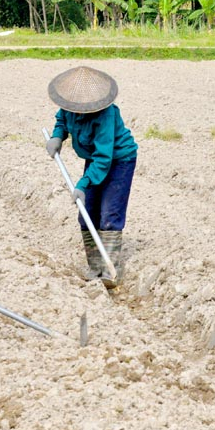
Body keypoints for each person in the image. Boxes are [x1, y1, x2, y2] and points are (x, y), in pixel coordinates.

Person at [45, 66, 137, 288]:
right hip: (95, 159)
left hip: (118, 160)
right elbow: (61, 122)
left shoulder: (106, 114)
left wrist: (83, 184)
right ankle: (94, 266)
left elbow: (104, 158)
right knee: (86, 213)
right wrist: (57, 137)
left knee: (109, 213)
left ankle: (110, 269)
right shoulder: (68, 108)